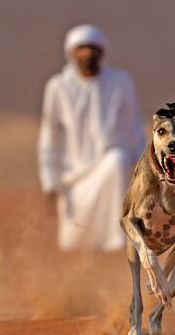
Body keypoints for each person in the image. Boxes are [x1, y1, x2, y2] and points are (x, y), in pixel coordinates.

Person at [37, 24, 145, 251]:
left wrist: (145, 173)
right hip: (74, 177)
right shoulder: (58, 87)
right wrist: (49, 181)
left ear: (102, 51)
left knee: (117, 159)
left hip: (111, 170)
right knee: (71, 244)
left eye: (93, 48)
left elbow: (135, 127)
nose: (87, 53)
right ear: (72, 53)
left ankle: (118, 242)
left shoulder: (121, 82)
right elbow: (49, 137)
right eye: (82, 48)